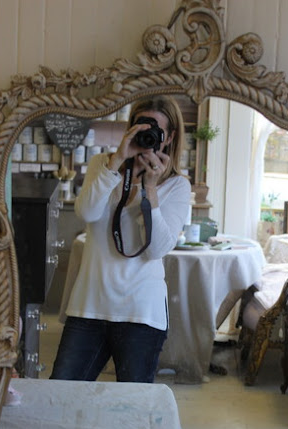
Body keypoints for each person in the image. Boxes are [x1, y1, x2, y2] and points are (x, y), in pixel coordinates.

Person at [50, 96, 190, 382]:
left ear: (169, 137)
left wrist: (150, 190)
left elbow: (157, 249)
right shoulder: (103, 165)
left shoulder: (177, 185)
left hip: (141, 313)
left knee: (132, 402)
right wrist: (116, 162)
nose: (147, 135)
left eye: (155, 130)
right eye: (141, 126)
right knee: (63, 393)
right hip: (90, 305)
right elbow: (86, 212)